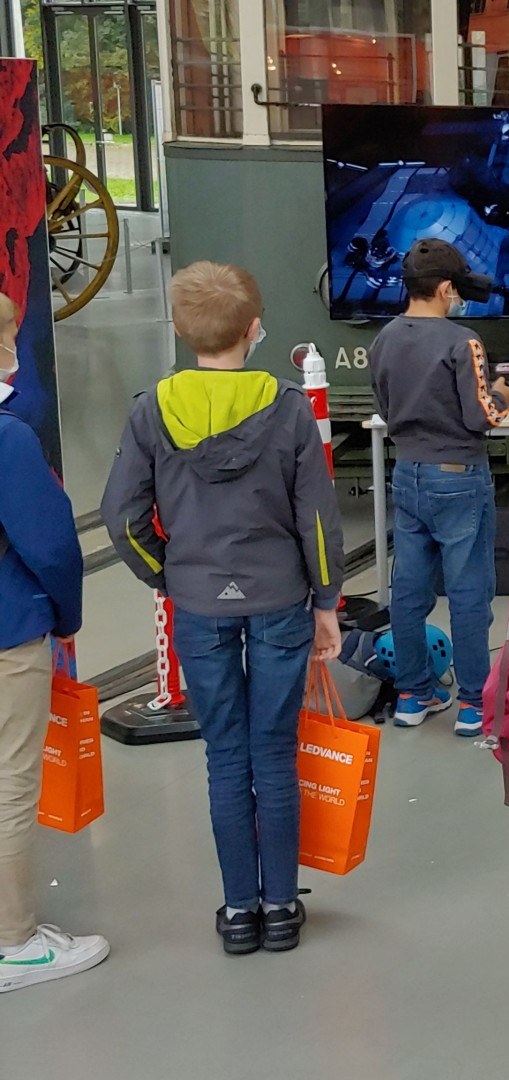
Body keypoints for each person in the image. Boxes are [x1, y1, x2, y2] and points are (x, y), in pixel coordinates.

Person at [104, 262, 345, 955]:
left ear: (183, 333)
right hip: (279, 600)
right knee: (274, 750)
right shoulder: (288, 407)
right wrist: (326, 601)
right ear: (253, 329)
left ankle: (239, 911)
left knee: (225, 754)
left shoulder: (152, 408)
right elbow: (318, 518)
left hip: (199, 603)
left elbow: (121, 518)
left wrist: (166, 574)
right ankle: (281, 907)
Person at [0, 291, 104, 990]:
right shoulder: (9, 440)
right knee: (11, 782)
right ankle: (13, 942)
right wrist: (65, 616)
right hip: (9, 631)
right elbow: (52, 545)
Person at [369, 239, 509, 736]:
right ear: (448, 288)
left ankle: (413, 694)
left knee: (409, 590)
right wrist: (504, 394)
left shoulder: (384, 338)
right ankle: (473, 705)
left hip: (407, 473)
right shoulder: (463, 341)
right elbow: (481, 416)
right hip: (458, 478)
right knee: (469, 592)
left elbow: (384, 406)